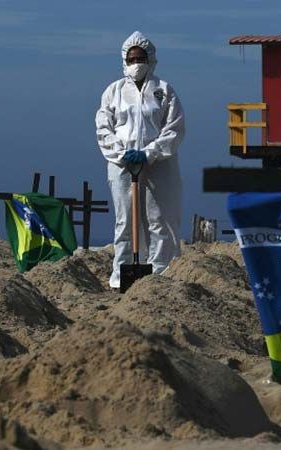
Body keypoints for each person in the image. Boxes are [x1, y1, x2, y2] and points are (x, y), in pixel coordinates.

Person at [95, 31, 185, 289]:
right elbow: (104, 129)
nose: (137, 63)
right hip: (122, 165)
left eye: (141, 58)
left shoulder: (164, 90)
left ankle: (161, 276)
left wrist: (149, 153)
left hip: (159, 164)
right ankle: (121, 277)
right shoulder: (113, 91)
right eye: (132, 58)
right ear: (125, 60)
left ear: (151, 59)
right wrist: (123, 154)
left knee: (160, 219)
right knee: (125, 221)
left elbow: (174, 129)